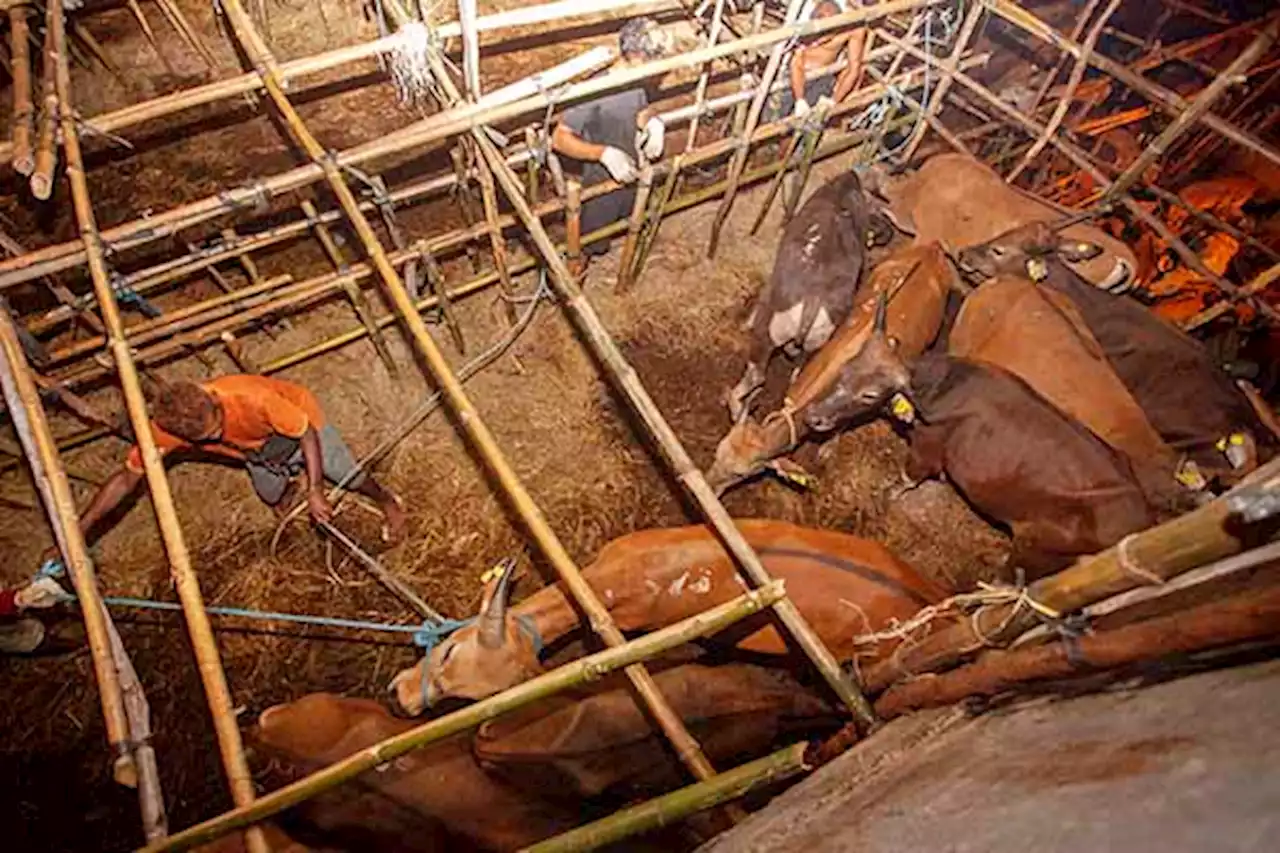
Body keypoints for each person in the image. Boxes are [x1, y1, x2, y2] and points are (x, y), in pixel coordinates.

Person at [68, 374, 407, 547]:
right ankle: (292, 494)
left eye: (216, 428)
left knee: (345, 473)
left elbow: (305, 434)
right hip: (253, 450)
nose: (215, 438)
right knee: (270, 493)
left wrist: (317, 489)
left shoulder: (250, 397)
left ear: (214, 401)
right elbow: (125, 480)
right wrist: (79, 529)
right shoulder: (167, 429)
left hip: (299, 424)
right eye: (205, 440)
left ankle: (388, 501)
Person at [552, 17, 670, 263]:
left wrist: (652, 122)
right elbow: (560, 138)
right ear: (636, 55)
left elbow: (640, 111)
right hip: (600, 184)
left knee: (633, 220)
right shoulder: (594, 89)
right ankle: (576, 283)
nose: (658, 70)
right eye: (655, 61)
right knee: (587, 246)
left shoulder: (637, 82)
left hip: (631, 173)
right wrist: (603, 153)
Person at [773, 1, 868, 123]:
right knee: (777, 119)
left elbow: (854, 68)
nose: (818, 42)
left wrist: (834, 100)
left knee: (811, 123)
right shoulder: (804, 22)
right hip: (794, 74)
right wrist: (800, 100)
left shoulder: (853, 27)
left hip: (823, 75)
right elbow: (796, 64)